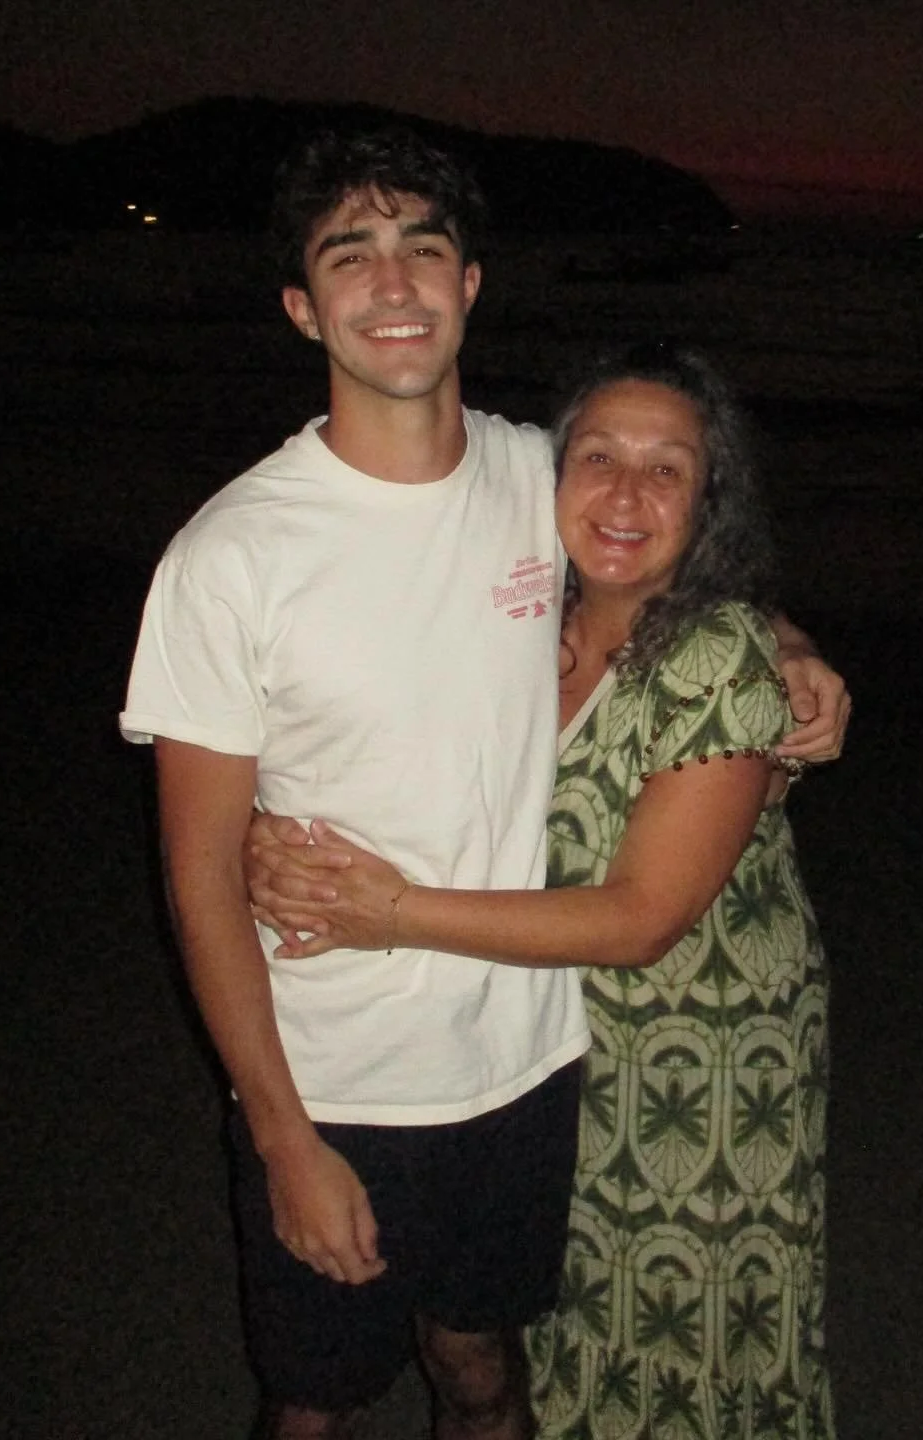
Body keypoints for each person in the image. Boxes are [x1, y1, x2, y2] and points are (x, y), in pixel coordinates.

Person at [121, 125, 846, 1440]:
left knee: (484, 1374)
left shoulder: (536, 477)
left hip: (525, 1067)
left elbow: (666, 556)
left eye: (425, 250)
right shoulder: (229, 560)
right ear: (301, 305)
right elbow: (198, 876)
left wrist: (793, 651)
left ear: (471, 288)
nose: (392, 285)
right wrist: (283, 1137)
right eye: (352, 255)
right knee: (311, 1403)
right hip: (338, 1078)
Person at [249, 343, 836, 1440]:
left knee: (682, 1334)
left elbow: (641, 920)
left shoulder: (715, 660)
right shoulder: (523, 620)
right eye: (600, 457)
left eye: (669, 469)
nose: (625, 492)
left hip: (701, 1059)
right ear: (549, 479)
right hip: (549, 1045)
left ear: (709, 503)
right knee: (562, 1331)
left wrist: (386, 911)